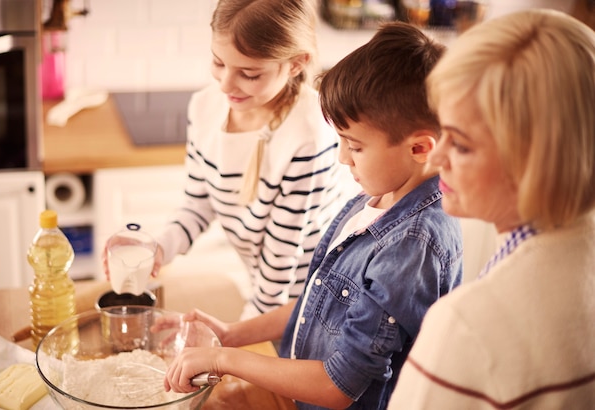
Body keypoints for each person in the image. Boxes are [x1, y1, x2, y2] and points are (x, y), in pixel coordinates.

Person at [157, 22, 463, 409]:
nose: (342, 157)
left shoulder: (412, 247)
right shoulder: (377, 197)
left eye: (355, 146)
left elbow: (339, 386)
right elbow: (319, 305)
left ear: (420, 148)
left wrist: (224, 359)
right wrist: (232, 334)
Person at [389, 9, 595, 409]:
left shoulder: (468, 327)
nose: (436, 159)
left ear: (538, 161)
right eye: (442, 130)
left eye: (462, 145)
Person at [104, 0, 349, 319]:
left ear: (295, 64)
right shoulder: (205, 107)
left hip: (315, 303)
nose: (225, 84)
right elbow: (198, 205)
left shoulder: (309, 134)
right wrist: (158, 247)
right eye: (218, 63)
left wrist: (236, 338)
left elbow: (280, 264)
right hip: (264, 292)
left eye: (248, 73)